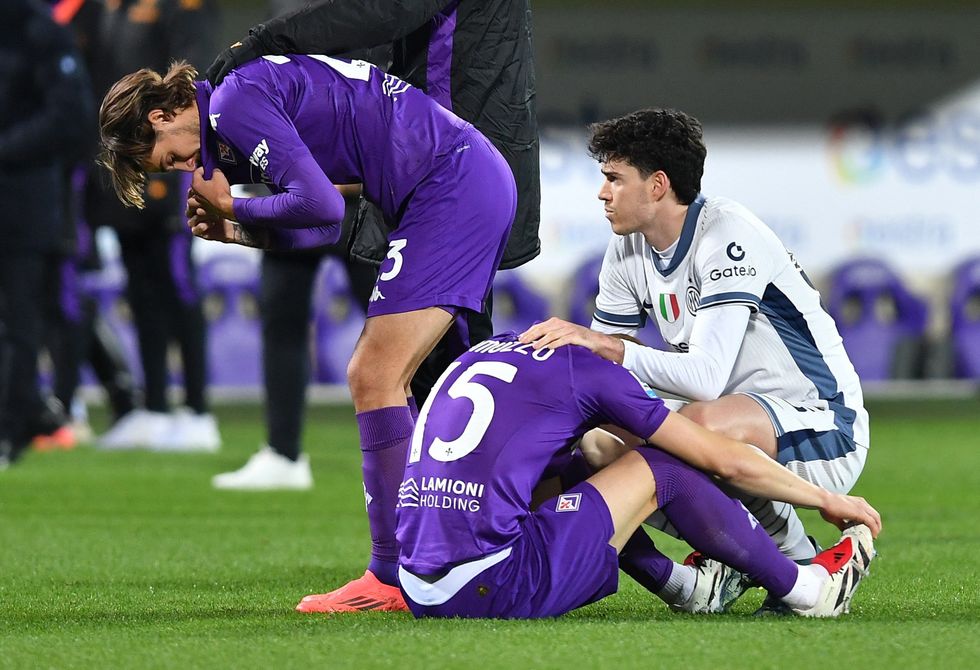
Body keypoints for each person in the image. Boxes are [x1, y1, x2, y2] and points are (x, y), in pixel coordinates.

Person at [98, 55, 516, 611]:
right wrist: (238, 231)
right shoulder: (233, 113)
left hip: (449, 184)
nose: (180, 169)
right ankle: (553, 512)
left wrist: (233, 204)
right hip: (453, 180)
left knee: (375, 374)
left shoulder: (231, 105)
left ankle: (393, 577)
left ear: (159, 116)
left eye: (169, 158)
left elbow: (319, 204)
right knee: (454, 381)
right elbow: (325, 226)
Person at [519, 108, 870, 612]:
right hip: (738, 422)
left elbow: (704, 379)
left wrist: (610, 347)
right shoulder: (625, 251)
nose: (602, 193)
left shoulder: (727, 236)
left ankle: (800, 567)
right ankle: (731, 562)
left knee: (699, 424)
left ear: (658, 185)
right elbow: (600, 380)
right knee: (600, 443)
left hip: (825, 427)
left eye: (614, 179)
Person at [206, 0, 539, 492]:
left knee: (444, 365)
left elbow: (384, 12)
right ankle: (444, 535)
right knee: (421, 368)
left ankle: (492, 526)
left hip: (450, 165)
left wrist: (268, 39)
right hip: (422, 162)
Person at [396, 332, 879, 619]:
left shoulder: (495, 350)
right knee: (663, 466)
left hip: (417, 584)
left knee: (571, 463)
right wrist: (823, 499)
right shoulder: (595, 373)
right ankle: (808, 590)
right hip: (491, 584)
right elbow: (723, 460)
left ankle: (691, 589)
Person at [89, 0, 222, 452]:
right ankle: (156, 407)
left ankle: (199, 410)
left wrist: (182, 170)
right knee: (141, 291)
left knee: (179, 291)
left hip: (167, 165)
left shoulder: (179, 5)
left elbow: (191, 79)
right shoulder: (107, 8)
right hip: (129, 170)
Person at [0, 0, 95, 468]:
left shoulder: (41, 33)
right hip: (25, 192)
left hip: (24, 199)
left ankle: (9, 431)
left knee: (21, 320)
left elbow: (71, 118)